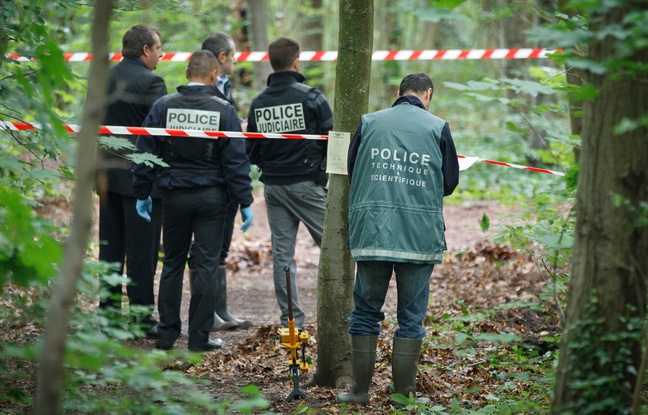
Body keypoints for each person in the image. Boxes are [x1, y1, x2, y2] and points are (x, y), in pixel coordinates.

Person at [336, 73, 459, 405]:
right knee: (411, 318)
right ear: (427, 94)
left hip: (373, 229)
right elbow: (449, 182)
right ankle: (403, 396)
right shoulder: (438, 127)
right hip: (418, 236)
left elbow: (353, 167)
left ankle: (359, 392)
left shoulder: (369, 122)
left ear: (398, 93)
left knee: (365, 311)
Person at [132, 50, 254, 352]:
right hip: (212, 199)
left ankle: (167, 334)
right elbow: (235, 161)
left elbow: (145, 149)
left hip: (174, 196)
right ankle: (199, 339)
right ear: (214, 75)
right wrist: (245, 200)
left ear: (187, 74)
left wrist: (141, 191)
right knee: (207, 266)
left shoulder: (164, 106)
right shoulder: (224, 110)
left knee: (172, 264)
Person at [246, 36, 333, 329]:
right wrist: (322, 176)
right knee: (335, 247)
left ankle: (291, 320)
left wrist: (270, 166)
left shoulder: (259, 103)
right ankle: (346, 313)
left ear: (271, 63)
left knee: (283, 257)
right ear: (296, 62)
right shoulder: (312, 97)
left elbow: (251, 148)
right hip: (307, 184)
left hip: (274, 188)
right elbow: (333, 140)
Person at [97, 24, 166, 339]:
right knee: (142, 251)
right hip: (142, 181)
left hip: (107, 177)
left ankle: (108, 316)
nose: (161, 54)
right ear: (145, 50)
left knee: (110, 248)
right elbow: (160, 135)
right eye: (158, 48)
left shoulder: (103, 79)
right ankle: (140, 318)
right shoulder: (152, 82)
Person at [180, 32, 251, 331]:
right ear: (220, 59)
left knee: (221, 246)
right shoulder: (198, 95)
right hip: (207, 180)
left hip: (226, 180)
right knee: (202, 249)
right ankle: (206, 314)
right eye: (233, 55)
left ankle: (220, 310)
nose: (236, 60)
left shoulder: (226, 88)